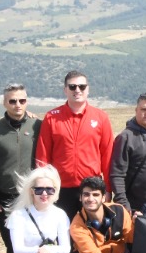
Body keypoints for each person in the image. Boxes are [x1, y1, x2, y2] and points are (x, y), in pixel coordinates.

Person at [35, 70, 113, 217]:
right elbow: (43, 155)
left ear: (88, 89)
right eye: (72, 87)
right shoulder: (52, 117)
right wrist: (44, 188)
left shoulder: (101, 117)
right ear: (65, 90)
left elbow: (107, 155)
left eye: (82, 87)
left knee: (92, 233)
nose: (77, 90)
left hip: (91, 188)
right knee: (62, 234)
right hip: (60, 188)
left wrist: (107, 188)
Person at [0, 84, 39, 253]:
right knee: (11, 239)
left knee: (34, 237)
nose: (17, 105)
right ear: (4, 103)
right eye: (12, 101)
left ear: (27, 102)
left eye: (22, 100)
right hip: (6, 194)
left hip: (35, 195)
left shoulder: (38, 125)